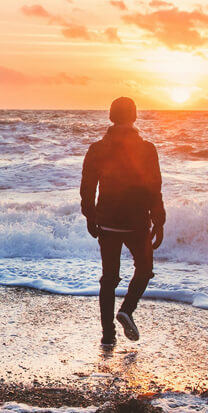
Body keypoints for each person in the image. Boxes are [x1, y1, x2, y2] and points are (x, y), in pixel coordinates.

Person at [80, 96, 165, 345]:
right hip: (137, 221)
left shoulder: (97, 149)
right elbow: (154, 187)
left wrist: (90, 215)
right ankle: (126, 310)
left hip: (106, 220)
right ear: (135, 116)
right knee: (145, 269)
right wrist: (158, 220)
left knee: (109, 278)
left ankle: (108, 336)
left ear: (110, 116)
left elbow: (87, 186)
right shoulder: (147, 149)